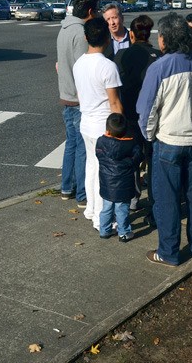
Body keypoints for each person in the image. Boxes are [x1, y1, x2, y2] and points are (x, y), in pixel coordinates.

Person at [136, 12, 192, 267]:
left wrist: (150, 137)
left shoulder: (159, 67)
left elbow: (146, 111)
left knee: (167, 200)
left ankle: (169, 252)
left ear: (164, 39)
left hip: (168, 142)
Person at [73, 17, 124, 230]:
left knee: (91, 167)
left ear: (86, 37)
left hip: (86, 122)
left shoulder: (79, 63)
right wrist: (122, 127)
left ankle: (91, 209)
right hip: (103, 126)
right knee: (103, 173)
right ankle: (100, 219)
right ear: (107, 38)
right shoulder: (107, 66)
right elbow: (114, 102)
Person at [113, 14, 161, 224]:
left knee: (132, 160)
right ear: (149, 33)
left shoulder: (122, 55)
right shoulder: (159, 56)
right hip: (155, 116)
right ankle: (155, 202)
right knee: (153, 161)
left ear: (131, 34)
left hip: (131, 114)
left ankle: (133, 198)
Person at [56, 0, 98, 208]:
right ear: (90, 12)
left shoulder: (64, 29)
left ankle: (66, 187)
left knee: (71, 144)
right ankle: (82, 194)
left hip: (66, 95)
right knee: (81, 147)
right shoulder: (80, 33)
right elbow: (83, 68)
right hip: (78, 98)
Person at [96, 113, 143, 241]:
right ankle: (124, 232)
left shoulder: (101, 142)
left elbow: (98, 155)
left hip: (107, 182)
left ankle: (104, 230)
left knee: (106, 208)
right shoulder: (131, 145)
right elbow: (137, 157)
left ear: (108, 130)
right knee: (121, 209)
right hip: (123, 184)